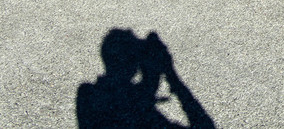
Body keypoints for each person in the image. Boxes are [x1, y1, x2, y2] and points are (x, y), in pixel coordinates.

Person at [76, 28, 216, 128]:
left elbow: (138, 98)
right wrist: (171, 74)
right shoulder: (134, 101)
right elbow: (205, 124)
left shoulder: (86, 95)